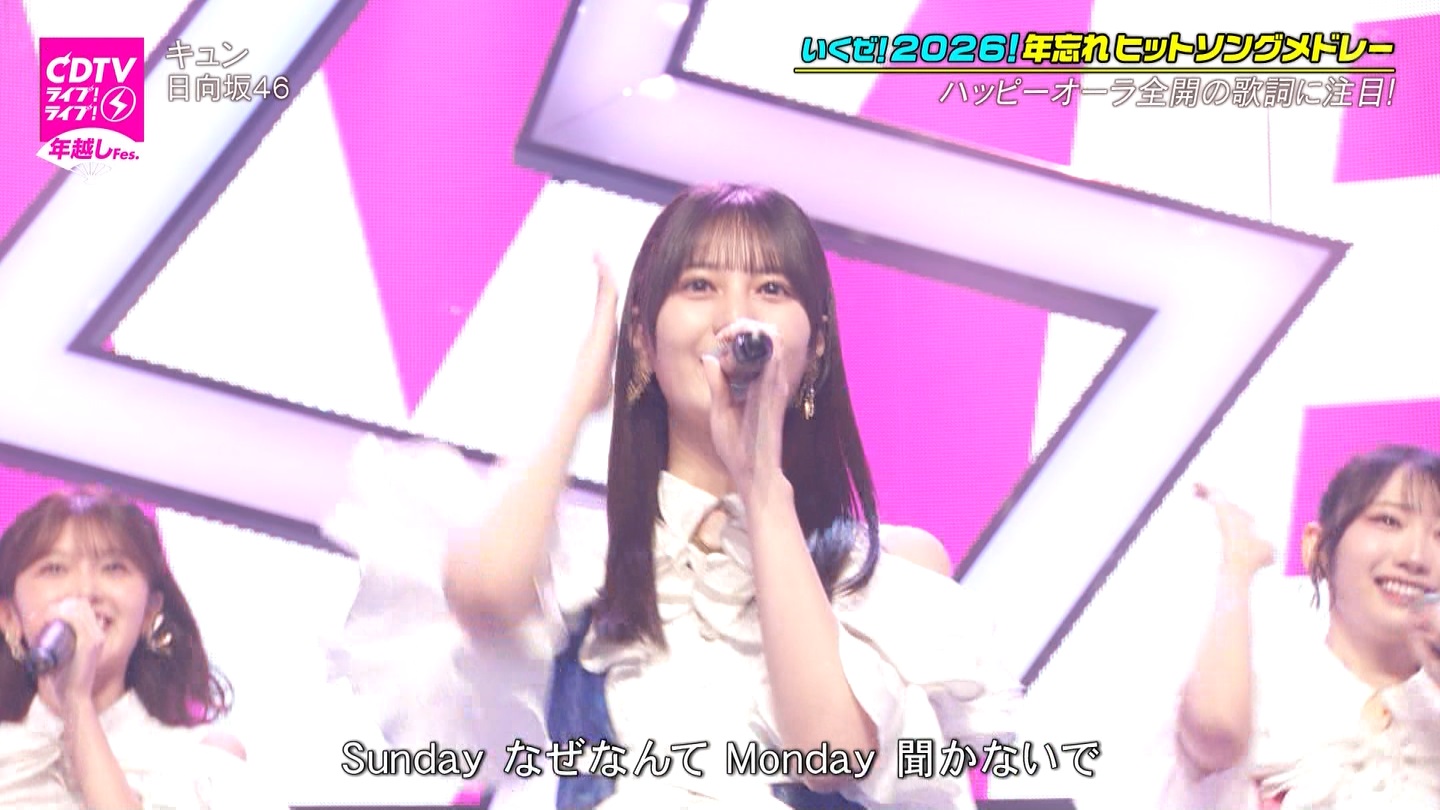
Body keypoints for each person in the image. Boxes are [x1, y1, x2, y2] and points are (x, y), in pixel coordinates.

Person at [329, 183, 1021, 809]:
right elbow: (483, 596)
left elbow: (829, 753)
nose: (734, 317)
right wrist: (584, 388)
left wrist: (760, 483)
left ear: (813, 348)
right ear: (644, 335)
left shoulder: (877, 571)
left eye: (771, 288)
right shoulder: (584, 568)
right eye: (699, 285)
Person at [1166, 444, 1440, 808]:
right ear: (1320, 548)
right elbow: (1214, 733)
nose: (1416, 557)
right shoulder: (1256, 690)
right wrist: (1238, 566)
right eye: (1389, 521)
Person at [0, 485, 287, 810]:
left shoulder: (201, 764)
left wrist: (76, 704)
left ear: (150, 612)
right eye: (54, 568)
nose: (85, 590)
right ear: (9, 617)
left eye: (113, 568)